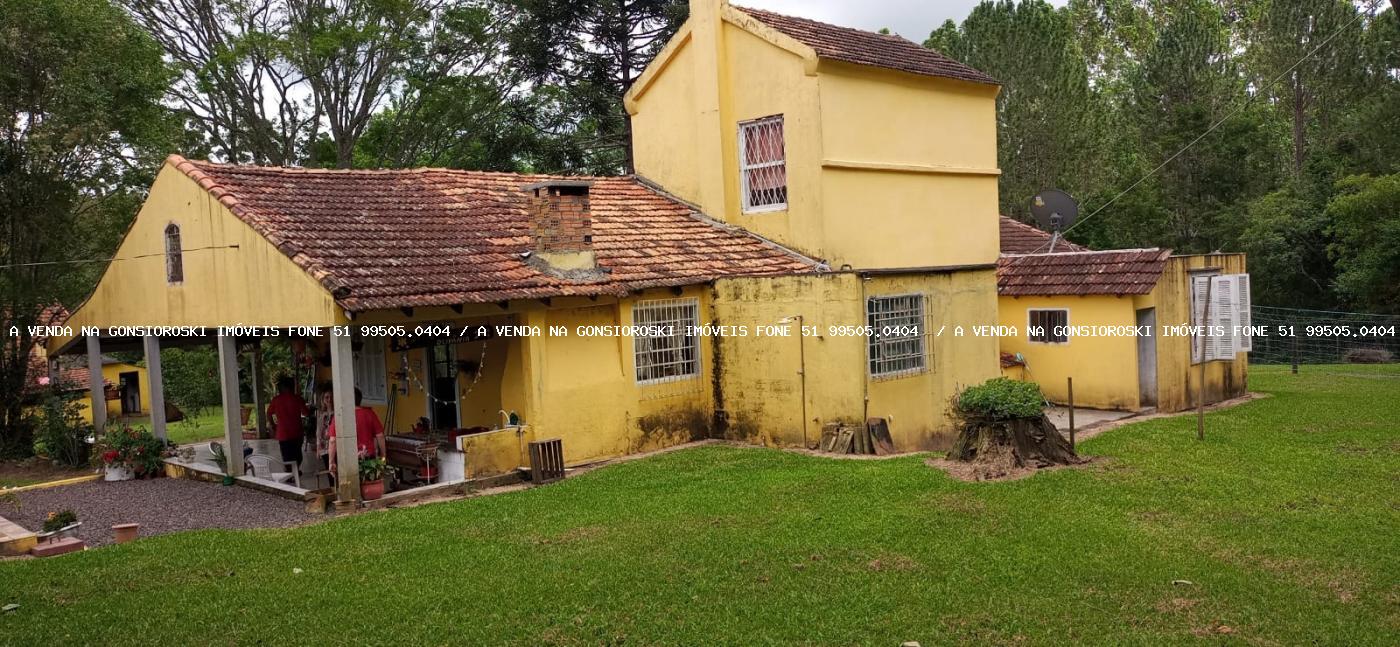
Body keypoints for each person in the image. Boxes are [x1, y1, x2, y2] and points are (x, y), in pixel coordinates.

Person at [327, 387, 386, 474]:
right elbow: (380, 436)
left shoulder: (339, 416)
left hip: (347, 460)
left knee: (349, 485)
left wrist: (331, 462)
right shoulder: (370, 413)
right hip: (368, 458)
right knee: (369, 485)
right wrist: (383, 455)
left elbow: (332, 441)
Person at [265, 376, 310, 467]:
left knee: (286, 456)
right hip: (297, 432)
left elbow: (269, 413)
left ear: (282, 387)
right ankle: (295, 472)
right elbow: (306, 413)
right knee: (297, 455)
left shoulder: (276, 400)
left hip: (283, 433)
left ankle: (290, 474)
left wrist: (273, 425)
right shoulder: (298, 399)